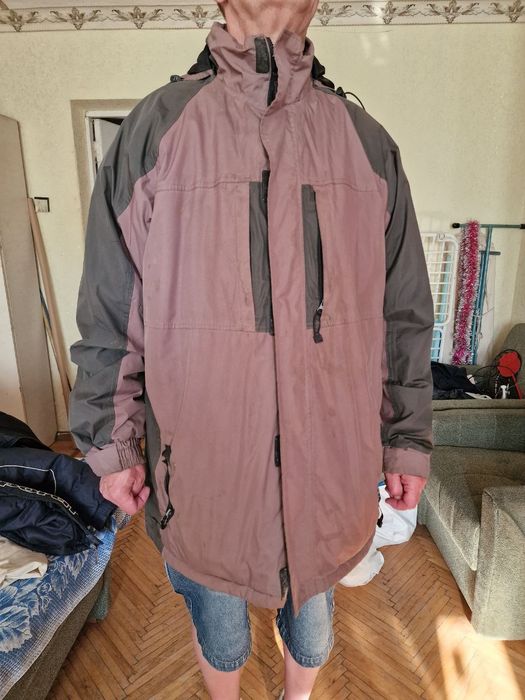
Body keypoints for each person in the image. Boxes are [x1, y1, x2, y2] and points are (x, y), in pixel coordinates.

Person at [69, 1, 435, 698]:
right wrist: (112, 445)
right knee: (223, 635)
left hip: (330, 470)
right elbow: (112, 309)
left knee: (314, 633)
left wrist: (406, 440)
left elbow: (403, 314)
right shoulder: (156, 129)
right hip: (204, 469)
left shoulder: (365, 142)